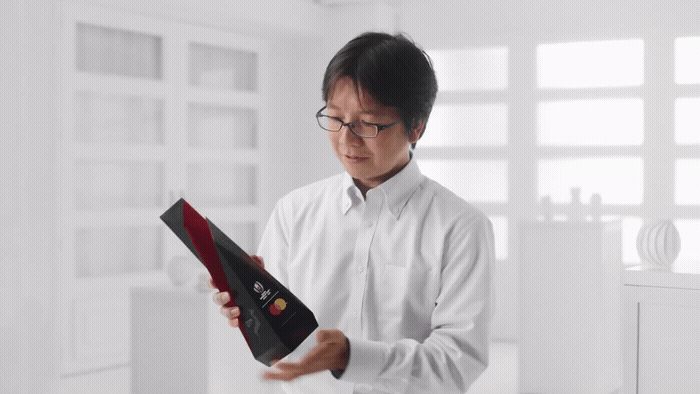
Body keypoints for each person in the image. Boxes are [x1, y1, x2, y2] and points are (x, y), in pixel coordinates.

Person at [211, 32, 494, 394]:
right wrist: (248, 305)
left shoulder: (461, 228)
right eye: (335, 118)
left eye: (368, 123)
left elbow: (457, 364)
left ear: (417, 126)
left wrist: (350, 356)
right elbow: (276, 339)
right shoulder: (294, 211)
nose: (346, 139)